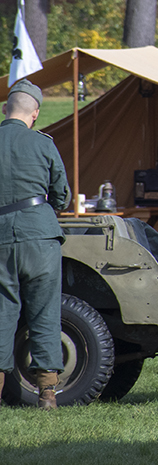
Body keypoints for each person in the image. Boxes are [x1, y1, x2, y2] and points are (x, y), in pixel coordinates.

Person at [0, 80, 70, 410]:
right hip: (41, 237)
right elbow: (61, 195)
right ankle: (47, 393)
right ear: (36, 113)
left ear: (5, 109)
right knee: (45, 313)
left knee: (2, 314)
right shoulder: (43, 143)